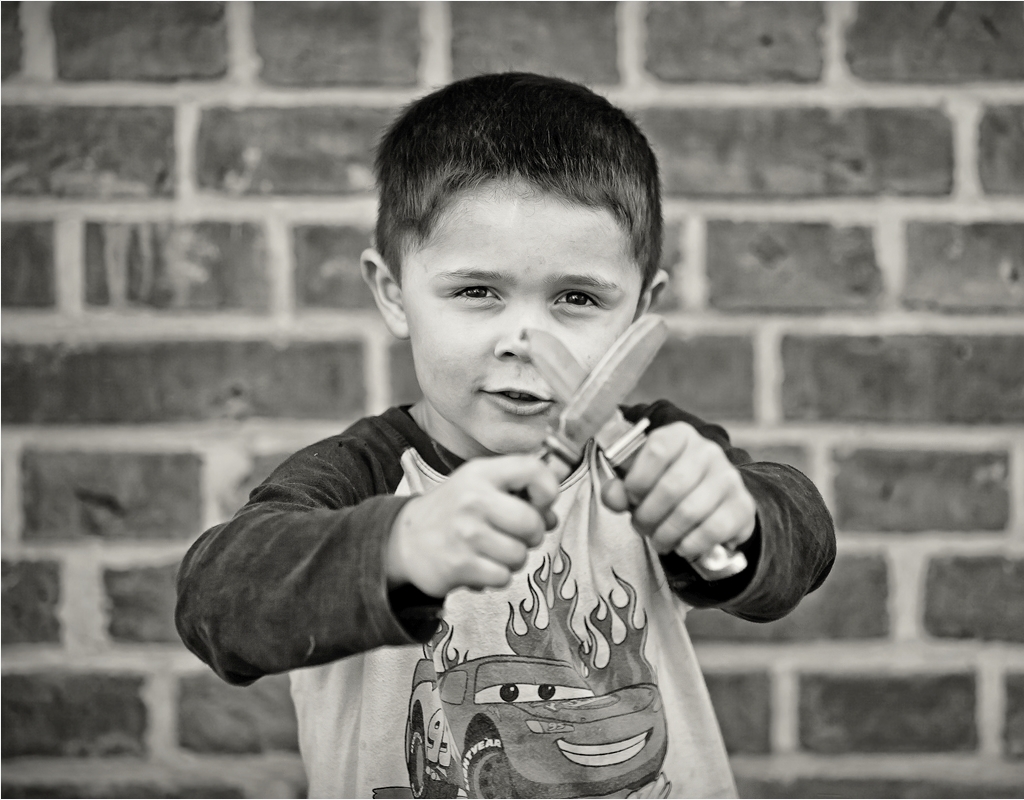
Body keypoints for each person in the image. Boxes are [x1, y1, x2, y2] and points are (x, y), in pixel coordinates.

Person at [176, 72, 835, 799]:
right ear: (394, 293)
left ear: (640, 314)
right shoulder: (357, 480)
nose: (525, 340)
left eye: (577, 298)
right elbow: (217, 604)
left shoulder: (656, 456)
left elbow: (800, 541)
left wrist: (737, 520)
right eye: (476, 291)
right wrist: (398, 548)